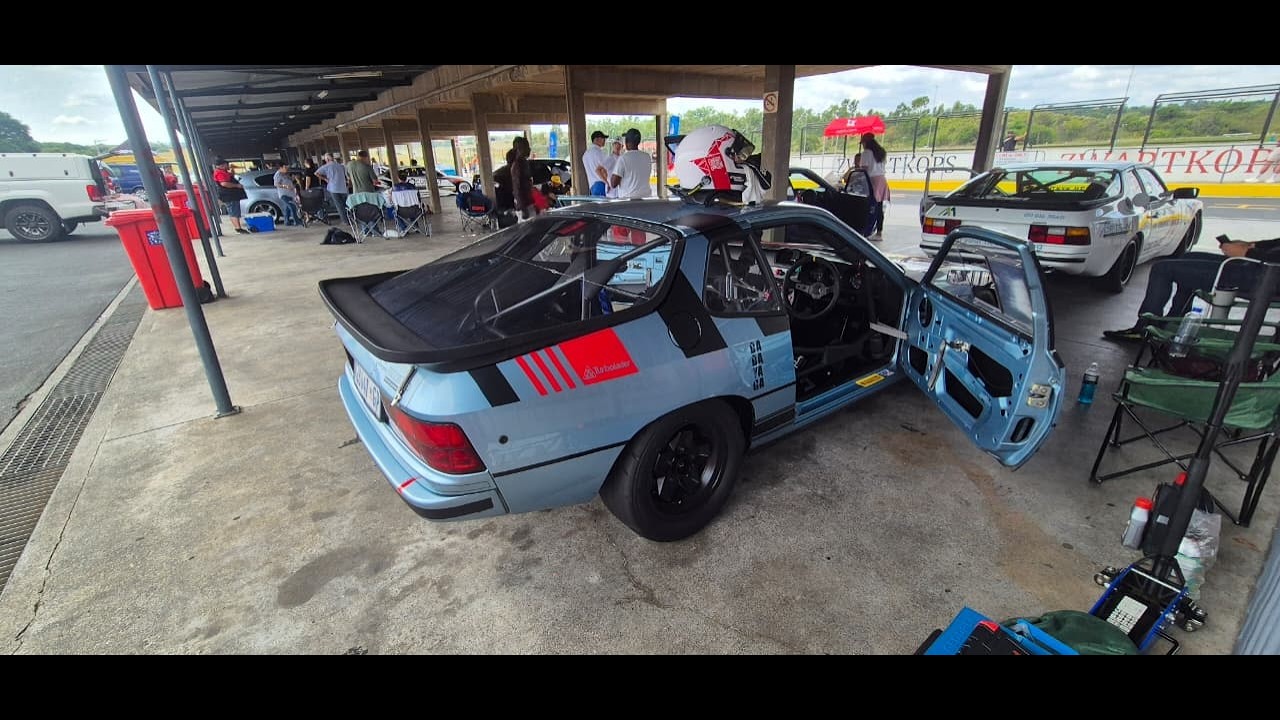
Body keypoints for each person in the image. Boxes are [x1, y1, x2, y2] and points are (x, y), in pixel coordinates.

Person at [1103, 237, 1280, 340]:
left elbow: (1272, 260)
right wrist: (1250, 245)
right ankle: (1174, 321)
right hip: (1256, 267)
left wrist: (1245, 252)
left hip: (1262, 277)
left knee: (1162, 268)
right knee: (1188, 257)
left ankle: (1144, 327)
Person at [859, 132, 888, 241]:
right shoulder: (881, 152)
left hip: (872, 180)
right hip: (882, 180)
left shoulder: (866, 153)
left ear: (866, 143)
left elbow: (864, 169)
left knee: (870, 207)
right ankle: (879, 232)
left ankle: (867, 230)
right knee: (879, 207)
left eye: (863, 143)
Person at [609, 128, 653, 199]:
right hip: (646, 198)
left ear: (626, 142)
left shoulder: (623, 158)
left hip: (628, 201)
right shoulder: (647, 157)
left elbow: (613, 184)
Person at [212, 158, 248, 234]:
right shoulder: (219, 173)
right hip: (228, 195)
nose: (227, 166)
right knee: (233, 211)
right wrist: (237, 185)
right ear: (222, 165)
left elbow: (230, 176)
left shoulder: (224, 172)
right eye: (226, 164)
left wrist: (232, 171)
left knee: (234, 210)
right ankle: (238, 228)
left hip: (231, 195)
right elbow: (224, 183)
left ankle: (238, 227)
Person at [315, 153, 349, 221]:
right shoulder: (341, 166)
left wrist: (325, 179)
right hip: (343, 188)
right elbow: (347, 176)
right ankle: (350, 218)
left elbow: (316, 173)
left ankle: (345, 221)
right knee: (346, 205)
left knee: (339, 206)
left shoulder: (326, 166)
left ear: (327, 159)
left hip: (333, 188)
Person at [511, 136, 537, 220]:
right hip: (525, 206)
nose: (529, 149)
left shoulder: (524, 163)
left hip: (529, 203)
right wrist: (523, 208)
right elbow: (517, 187)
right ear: (519, 149)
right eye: (527, 147)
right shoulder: (518, 165)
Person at [273, 162, 301, 227]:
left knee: (287, 208)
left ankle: (287, 222)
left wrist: (294, 179)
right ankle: (296, 221)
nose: (286, 169)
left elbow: (289, 180)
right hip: (284, 194)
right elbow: (276, 184)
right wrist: (285, 186)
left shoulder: (285, 174)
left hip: (290, 193)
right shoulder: (278, 175)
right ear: (281, 168)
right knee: (292, 206)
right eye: (285, 167)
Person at [583, 130, 610, 196]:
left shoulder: (585, 154)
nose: (604, 140)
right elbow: (602, 168)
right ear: (596, 139)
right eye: (603, 138)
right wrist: (607, 182)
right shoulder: (598, 152)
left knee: (596, 205)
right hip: (601, 183)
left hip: (592, 185)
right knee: (604, 205)